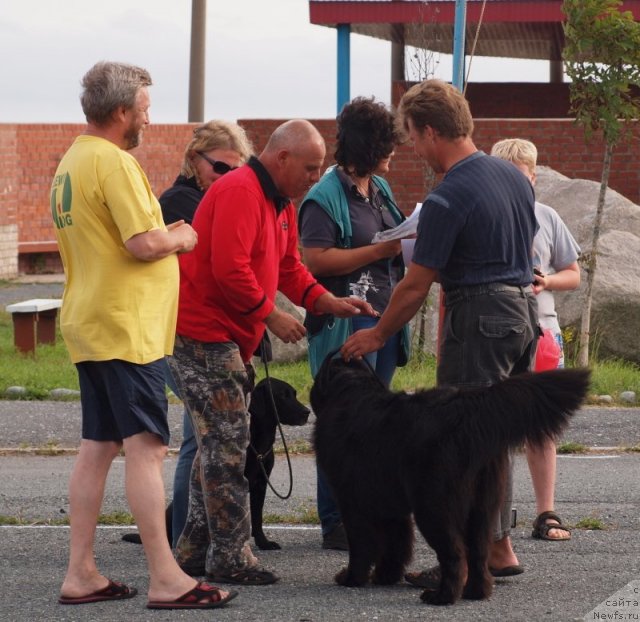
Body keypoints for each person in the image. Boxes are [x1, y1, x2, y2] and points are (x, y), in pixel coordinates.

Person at [51, 61, 236, 609]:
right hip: (125, 327)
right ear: (121, 111)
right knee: (148, 449)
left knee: (99, 446)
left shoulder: (72, 161)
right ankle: (166, 577)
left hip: (90, 320)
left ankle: (81, 572)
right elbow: (141, 242)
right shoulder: (114, 162)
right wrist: (181, 234)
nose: (149, 122)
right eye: (146, 111)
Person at [341, 79, 539, 586]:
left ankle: (468, 558)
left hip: (479, 318)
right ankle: (497, 546)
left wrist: (376, 335)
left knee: (460, 444)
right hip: (522, 317)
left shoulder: (450, 193)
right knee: (491, 441)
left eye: (412, 137)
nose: (414, 150)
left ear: (430, 132)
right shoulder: (512, 176)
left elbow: (414, 286)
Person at [168, 119, 375, 586]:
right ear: (282, 158)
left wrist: (324, 299)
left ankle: (194, 550)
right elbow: (229, 270)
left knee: (216, 446)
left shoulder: (279, 202)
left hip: (224, 336)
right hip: (203, 334)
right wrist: (270, 315)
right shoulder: (242, 191)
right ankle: (230, 557)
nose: (314, 176)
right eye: (310, 167)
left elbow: (287, 265)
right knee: (227, 446)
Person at [298, 96, 410, 550]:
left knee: (373, 426)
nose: (393, 152)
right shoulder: (323, 197)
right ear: (368, 146)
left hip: (381, 323)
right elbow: (315, 260)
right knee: (341, 425)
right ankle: (335, 521)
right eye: (386, 144)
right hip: (342, 328)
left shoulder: (377, 189)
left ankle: (366, 514)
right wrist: (380, 250)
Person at [159, 120, 254, 547]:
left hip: (216, 330)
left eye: (236, 169)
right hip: (190, 333)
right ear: (193, 160)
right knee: (198, 442)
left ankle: (190, 538)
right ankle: (184, 534)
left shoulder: (212, 195)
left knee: (202, 441)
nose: (227, 176)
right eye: (219, 166)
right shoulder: (180, 201)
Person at [491, 138, 581, 542]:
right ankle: (491, 517)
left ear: (533, 177)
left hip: (543, 330)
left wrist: (548, 280)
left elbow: (573, 273)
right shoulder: (486, 215)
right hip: (496, 329)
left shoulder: (546, 216)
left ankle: (546, 512)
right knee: (493, 428)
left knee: (541, 428)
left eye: (522, 176)